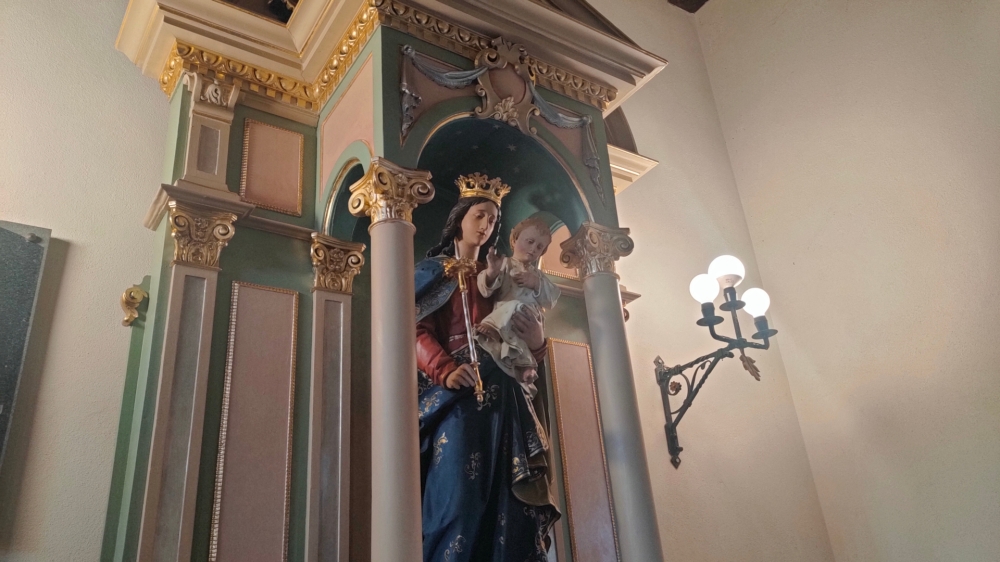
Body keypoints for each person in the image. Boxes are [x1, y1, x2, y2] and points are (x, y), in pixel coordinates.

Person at [415, 174, 559, 562]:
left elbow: (524, 340)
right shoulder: (436, 271)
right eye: (479, 215)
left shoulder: (505, 277)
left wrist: (537, 345)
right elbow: (414, 328)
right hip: (457, 396)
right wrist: (445, 369)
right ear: (460, 218)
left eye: (493, 220)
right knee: (457, 502)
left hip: (506, 396)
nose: (485, 225)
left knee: (509, 504)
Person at [476, 217, 560, 398]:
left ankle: (525, 367)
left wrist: (536, 283)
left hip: (530, 316)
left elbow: (551, 298)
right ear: (514, 240)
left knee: (521, 341)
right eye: (530, 242)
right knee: (513, 338)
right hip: (505, 314)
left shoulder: (537, 275)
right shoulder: (504, 264)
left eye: (539, 247)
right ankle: (492, 329)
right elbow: (485, 290)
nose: (533, 249)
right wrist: (491, 273)